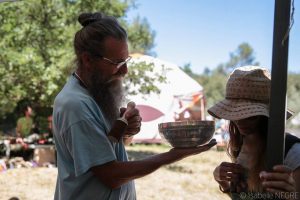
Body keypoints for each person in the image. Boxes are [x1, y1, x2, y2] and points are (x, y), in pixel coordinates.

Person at [52, 12, 216, 200]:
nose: (125, 70)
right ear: (88, 60)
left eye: (126, 60)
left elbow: (109, 149)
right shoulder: (76, 105)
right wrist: (172, 155)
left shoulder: (96, 94)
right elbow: (110, 175)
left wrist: (125, 132)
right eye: (117, 62)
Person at [208, 66, 300, 199]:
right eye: (235, 115)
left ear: (267, 116)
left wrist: (292, 197)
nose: (240, 122)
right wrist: (224, 182)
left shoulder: (293, 153)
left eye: (250, 116)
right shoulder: (240, 145)